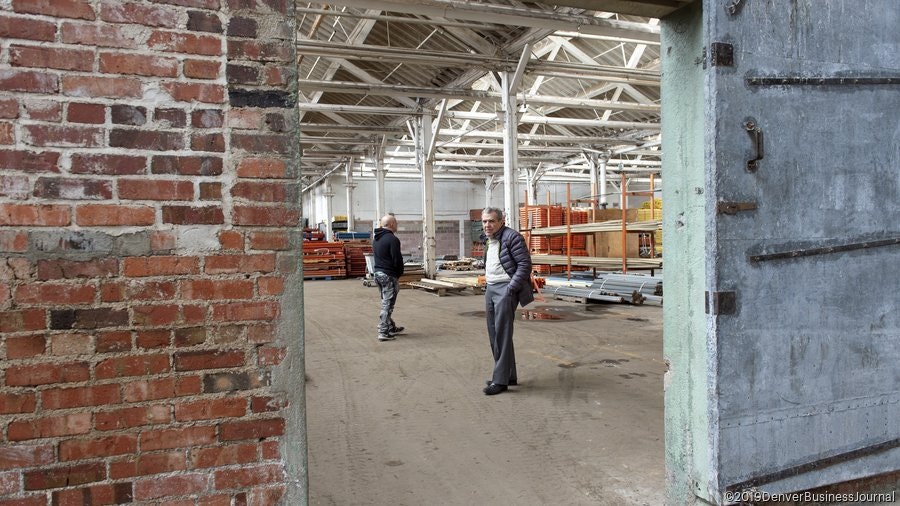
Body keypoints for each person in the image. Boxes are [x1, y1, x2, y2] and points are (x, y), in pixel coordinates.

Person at [480, 207, 534, 395]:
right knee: (495, 334)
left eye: (491, 221)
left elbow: (525, 265)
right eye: (485, 221)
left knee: (502, 333)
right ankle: (508, 375)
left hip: (505, 289)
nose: (487, 225)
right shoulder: (489, 239)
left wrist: (511, 288)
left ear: (501, 221)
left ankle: (500, 380)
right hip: (491, 288)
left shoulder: (513, 237)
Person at [372, 214, 405, 342]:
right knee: (387, 304)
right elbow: (397, 259)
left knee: (386, 301)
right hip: (388, 275)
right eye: (396, 223)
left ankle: (391, 327)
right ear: (391, 224)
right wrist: (398, 274)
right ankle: (383, 331)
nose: (397, 225)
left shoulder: (377, 239)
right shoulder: (392, 239)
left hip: (378, 274)